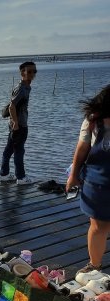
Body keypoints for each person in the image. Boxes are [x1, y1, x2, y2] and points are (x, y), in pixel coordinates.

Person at [66, 84, 110, 274]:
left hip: (98, 181)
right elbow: (81, 150)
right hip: (97, 181)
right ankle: (94, 265)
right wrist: (73, 176)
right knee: (98, 226)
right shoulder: (92, 121)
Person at [0, 61, 36, 185]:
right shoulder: (21, 88)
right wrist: (15, 123)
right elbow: (11, 106)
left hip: (17, 124)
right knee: (19, 151)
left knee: (9, 150)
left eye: (34, 71)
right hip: (19, 125)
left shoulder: (26, 87)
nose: (33, 74)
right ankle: (20, 177)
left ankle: (4, 174)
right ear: (22, 73)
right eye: (30, 71)